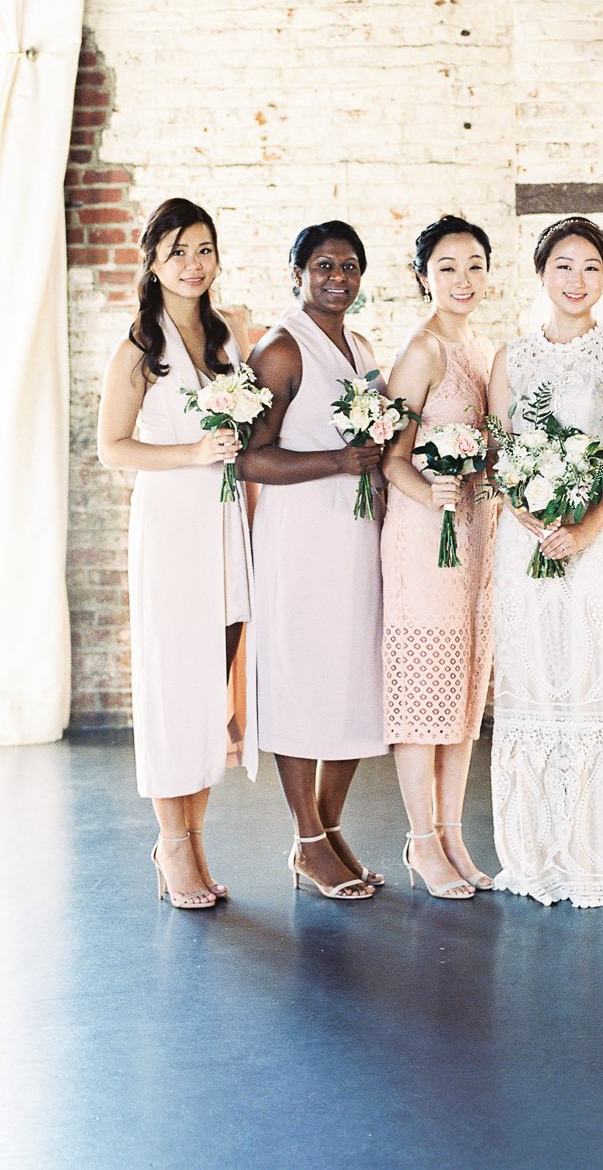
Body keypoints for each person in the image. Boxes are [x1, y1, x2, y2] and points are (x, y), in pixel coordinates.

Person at [488, 217, 603, 908]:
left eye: (590, 268)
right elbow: (500, 452)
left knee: (595, 676)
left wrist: (586, 526)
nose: (576, 280)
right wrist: (525, 514)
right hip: (524, 538)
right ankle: (535, 858)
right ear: (541, 273)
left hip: (601, 537)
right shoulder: (511, 358)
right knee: (535, 679)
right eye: (563, 266)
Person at [97, 197, 256, 910]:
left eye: (204, 249)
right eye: (178, 252)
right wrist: (193, 450)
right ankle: (171, 844)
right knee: (171, 684)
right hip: (171, 527)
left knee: (209, 688)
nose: (193, 265)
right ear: (153, 263)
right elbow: (111, 447)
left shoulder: (229, 336)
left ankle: (196, 837)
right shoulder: (138, 348)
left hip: (224, 522)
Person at [243, 221, 387, 902]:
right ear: (296, 271)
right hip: (300, 538)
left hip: (354, 535)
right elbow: (248, 456)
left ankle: (329, 830)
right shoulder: (280, 348)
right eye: (324, 265)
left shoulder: (358, 346)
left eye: (349, 266)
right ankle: (305, 837)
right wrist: (337, 460)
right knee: (302, 679)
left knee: (353, 679)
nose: (338, 277)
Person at [380, 216, 498, 899]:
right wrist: (434, 495)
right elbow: (391, 458)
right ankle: (421, 841)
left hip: (476, 534)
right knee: (424, 688)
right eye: (448, 266)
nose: (463, 279)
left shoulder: (481, 349)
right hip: (427, 537)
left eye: (474, 265)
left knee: (463, 687)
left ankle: (453, 832)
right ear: (423, 275)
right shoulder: (422, 352)